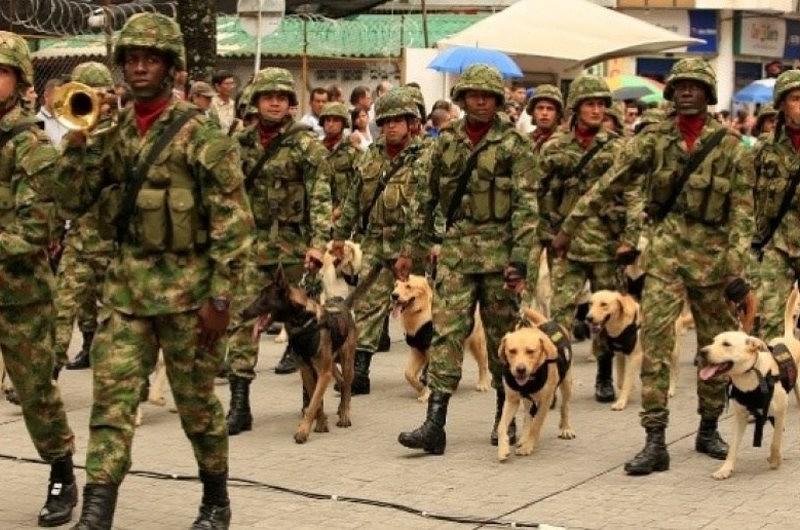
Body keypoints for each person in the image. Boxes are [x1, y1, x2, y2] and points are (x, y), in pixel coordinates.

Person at [57, 13, 254, 528]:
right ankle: (97, 510)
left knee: (197, 409)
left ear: (171, 67)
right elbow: (73, 200)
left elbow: (233, 225)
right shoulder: (112, 131)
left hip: (190, 297)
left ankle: (216, 500)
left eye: (151, 59)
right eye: (133, 60)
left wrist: (220, 300)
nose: (140, 68)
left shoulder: (201, 135)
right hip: (126, 294)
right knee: (111, 406)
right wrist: (80, 142)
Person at [552, 58, 755, 476]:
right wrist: (569, 227)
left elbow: (743, 213)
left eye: (695, 86)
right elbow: (611, 181)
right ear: (670, 92)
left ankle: (708, 428)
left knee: (714, 348)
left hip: (714, 262)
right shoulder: (653, 139)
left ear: (708, 94)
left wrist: (737, 267)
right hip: (664, 258)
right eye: (679, 85)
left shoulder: (730, 145)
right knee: (658, 348)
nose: (686, 91)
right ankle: (655, 439)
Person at [397, 64, 539, 455]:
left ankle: (503, 420)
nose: (480, 101)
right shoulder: (443, 143)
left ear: (497, 101)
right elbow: (424, 198)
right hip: (457, 252)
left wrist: (521, 260)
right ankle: (434, 424)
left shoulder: (515, 145)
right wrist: (410, 250)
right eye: (473, 94)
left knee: (501, 338)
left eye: (488, 96)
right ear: (462, 99)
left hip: (499, 255)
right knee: (445, 334)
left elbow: (527, 208)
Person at [0, 29, 78, 528]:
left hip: (20, 294)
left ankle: (62, 476)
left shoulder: (31, 146)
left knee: (35, 393)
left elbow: (36, 228)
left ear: (18, 81)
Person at [226, 67, 332, 431]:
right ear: (256, 101)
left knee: (307, 322)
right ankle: (239, 403)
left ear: (290, 104)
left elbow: (320, 196)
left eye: (282, 97)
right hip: (251, 247)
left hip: (294, 247)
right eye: (268, 96)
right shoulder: (239, 144)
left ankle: (310, 399)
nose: (275, 102)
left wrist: (319, 245)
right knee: (243, 319)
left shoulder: (305, 145)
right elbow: (224, 195)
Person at [534, 75, 630, 404]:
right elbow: (540, 193)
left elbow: (634, 193)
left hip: (606, 245)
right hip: (566, 245)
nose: (597, 109)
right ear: (575, 108)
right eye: (590, 103)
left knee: (605, 315)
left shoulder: (617, 146)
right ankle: (555, 373)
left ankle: (604, 373)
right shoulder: (555, 147)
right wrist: (546, 235)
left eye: (602, 104)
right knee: (559, 311)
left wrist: (629, 239)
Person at [332, 88, 424, 395]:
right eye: (385, 122)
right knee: (368, 305)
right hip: (374, 240)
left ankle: (430, 366)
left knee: (418, 308)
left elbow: (427, 206)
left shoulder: (424, 156)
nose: (392, 127)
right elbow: (352, 200)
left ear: (411, 122)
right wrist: (340, 237)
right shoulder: (370, 155)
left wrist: (413, 249)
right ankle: (360, 371)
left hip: (409, 244)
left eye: (398, 121)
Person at [53, 62, 117, 372]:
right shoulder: (73, 138)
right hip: (80, 239)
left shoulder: (122, 133)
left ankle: (121, 384)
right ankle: (47, 377)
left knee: (114, 317)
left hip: (113, 243)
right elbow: (64, 195)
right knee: (62, 307)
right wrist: (77, 145)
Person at [753, 70, 800, 341]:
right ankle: (773, 381)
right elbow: (746, 198)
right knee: (770, 319)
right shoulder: (764, 149)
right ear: (782, 104)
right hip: (776, 245)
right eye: (795, 98)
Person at [319, 102, 359, 221]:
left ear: (343, 124)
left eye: (336, 120)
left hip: (343, 217)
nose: (330, 124)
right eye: (327, 120)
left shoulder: (354, 153)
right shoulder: (315, 151)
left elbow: (358, 188)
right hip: (317, 216)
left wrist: (339, 211)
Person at [527, 84, 563, 152]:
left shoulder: (566, 143)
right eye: (540, 108)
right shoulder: (523, 142)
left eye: (550, 109)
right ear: (533, 112)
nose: (544, 113)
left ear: (558, 114)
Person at [36, 78, 69, 146]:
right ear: (46, 95)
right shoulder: (38, 122)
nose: (60, 100)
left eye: (62, 96)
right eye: (56, 96)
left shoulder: (68, 119)